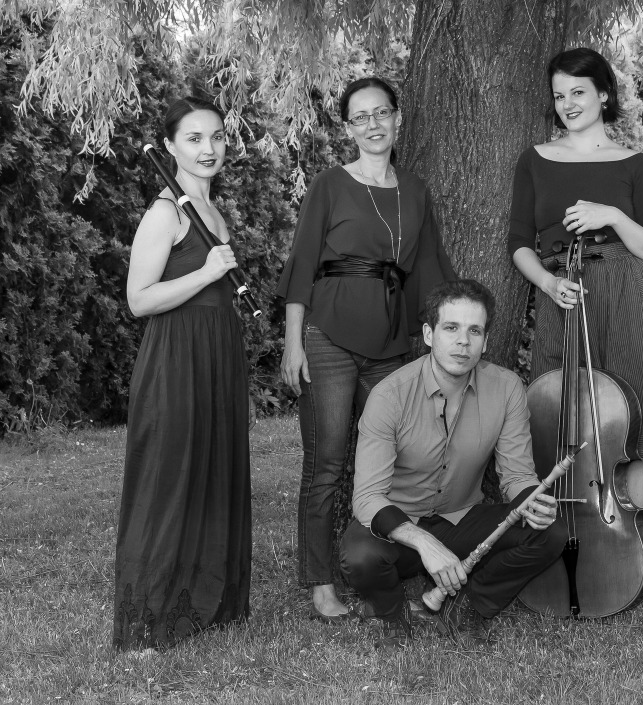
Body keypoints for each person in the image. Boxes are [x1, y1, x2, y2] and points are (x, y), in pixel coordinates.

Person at [506, 47, 643, 593]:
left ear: (603, 95)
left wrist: (611, 215)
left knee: (629, 428)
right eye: (559, 95)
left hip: (627, 298)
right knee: (557, 418)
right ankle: (562, 544)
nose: (568, 104)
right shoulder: (535, 159)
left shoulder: (632, 162)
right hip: (564, 297)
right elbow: (519, 242)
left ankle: (631, 554)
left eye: (579, 92)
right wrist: (548, 284)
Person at [276, 77, 456, 622]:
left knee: (395, 461)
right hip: (327, 338)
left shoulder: (415, 190)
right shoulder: (330, 184)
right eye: (360, 117)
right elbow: (302, 266)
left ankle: (387, 564)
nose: (373, 124)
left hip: (390, 345)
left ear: (398, 117)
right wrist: (292, 343)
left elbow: (430, 271)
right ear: (348, 128)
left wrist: (445, 336)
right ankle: (319, 582)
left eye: (381, 113)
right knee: (327, 463)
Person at [339, 280, 567, 647]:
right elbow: (367, 498)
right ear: (429, 335)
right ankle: (391, 612)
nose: (463, 342)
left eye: (474, 331)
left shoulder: (507, 388)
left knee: (550, 532)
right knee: (360, 557)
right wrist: (425, 543)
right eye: (451, 328)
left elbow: (517, 474)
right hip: (401, 526)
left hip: (462, 519)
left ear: (485, 341)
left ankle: (470, 605)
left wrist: (532, 501)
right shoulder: (389, 396)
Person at [113, 97, 251, 651]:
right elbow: (139, 300)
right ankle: (146, 623)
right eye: (194, 139)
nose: (208, 149)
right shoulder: (165, 213)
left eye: (216, 136)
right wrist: (207, 273)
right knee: (168, 482)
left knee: (211, 472)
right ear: (170, 146)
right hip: (175, 359)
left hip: (216, 354)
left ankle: (202, 604)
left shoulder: (212, 212)